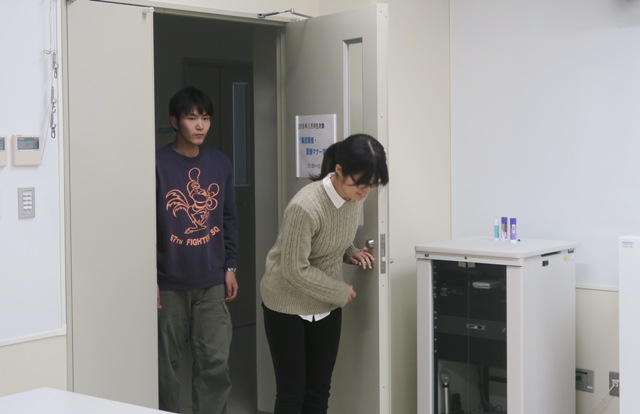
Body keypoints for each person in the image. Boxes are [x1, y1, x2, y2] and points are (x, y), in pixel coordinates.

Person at [259, 133, 389, 414]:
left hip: (326, 306)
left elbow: (329, 237)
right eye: (360, 184)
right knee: (292, 393)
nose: (364, 192)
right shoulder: (305, 206)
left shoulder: (354, 197)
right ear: (339, 170)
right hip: (286, 303)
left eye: (371, 185)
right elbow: (294, 268)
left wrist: (350, 251)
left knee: (319, 391)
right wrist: (337, 290)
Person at [156, 86, 239, 414]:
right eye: (192, 118)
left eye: (205, 118)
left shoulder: (220, 163)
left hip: (211, 282)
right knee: (166, 368)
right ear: (174, 122)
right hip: (168, 284)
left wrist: (230, 266)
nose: (200, 125)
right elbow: (144, 225)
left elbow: (229, 217)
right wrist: (151, 277)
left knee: (215, 364)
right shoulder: (157, 163)